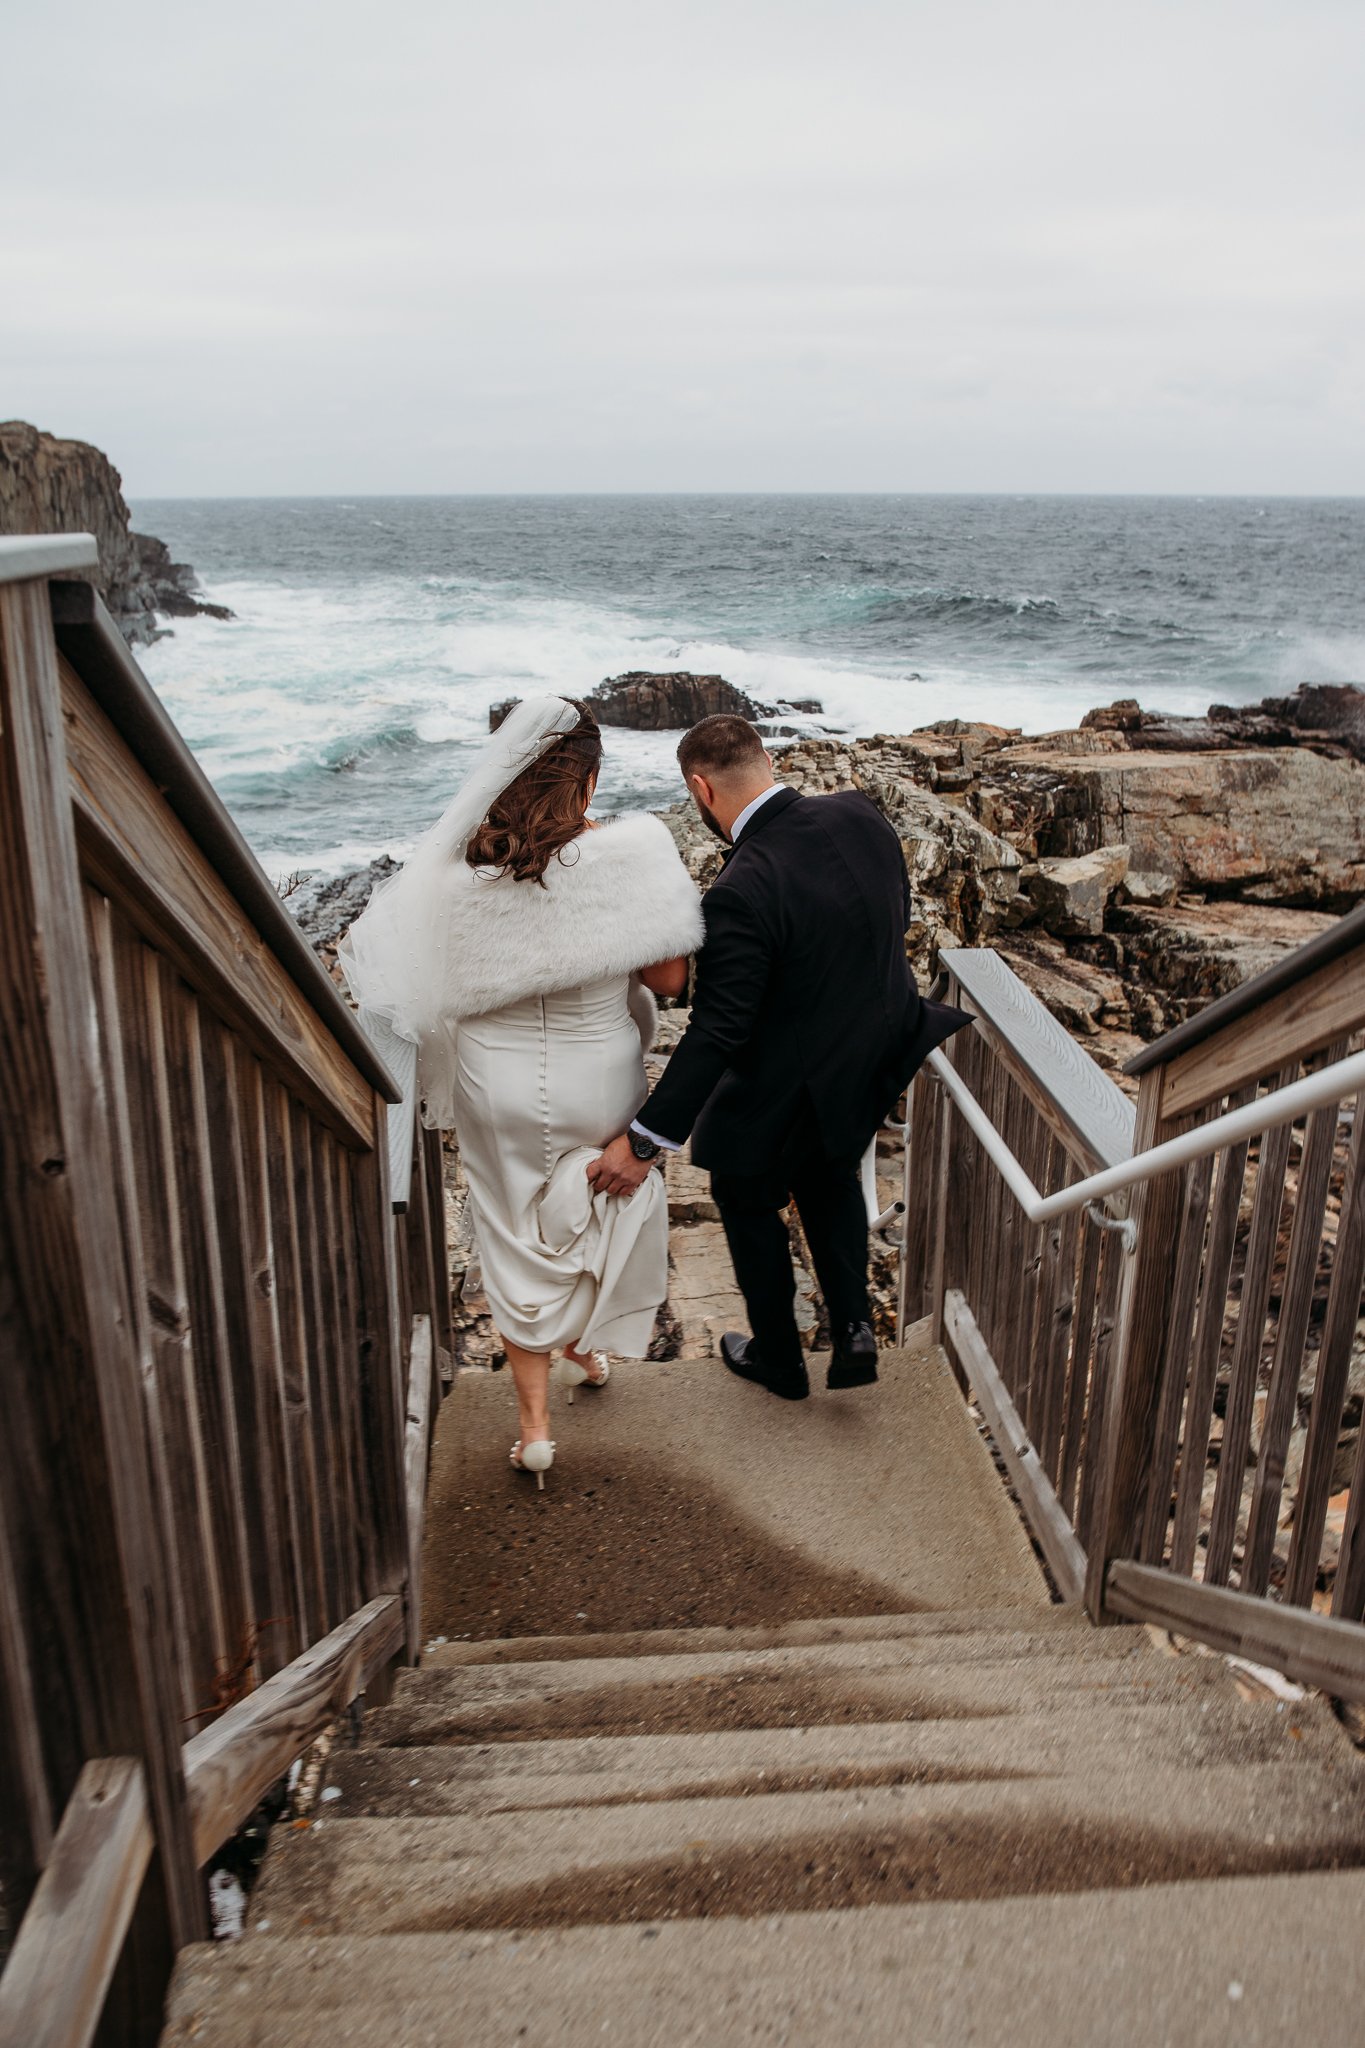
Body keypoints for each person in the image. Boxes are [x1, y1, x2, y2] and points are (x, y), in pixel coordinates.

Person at [339, 696, 704, 1484]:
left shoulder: (453, 873)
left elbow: (418, 984)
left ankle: (535, 1424)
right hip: (597, 1068)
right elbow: (671, 978)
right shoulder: (633, 853)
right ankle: (582, 1343)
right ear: (591, 775)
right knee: (600, 1195)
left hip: (491, 1080)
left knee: (510, 1230)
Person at [589, 713, 970, 1402]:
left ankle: (778, 1358)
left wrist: (644, 1143)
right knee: (826, 1176)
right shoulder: (861, 814)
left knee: (740, 1186)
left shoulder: (742, 887)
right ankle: (853, 1328)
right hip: (875, 1050)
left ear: (701, 790)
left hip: (798, 1073)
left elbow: (717, 1031)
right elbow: (883, 921)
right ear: (765, 761)